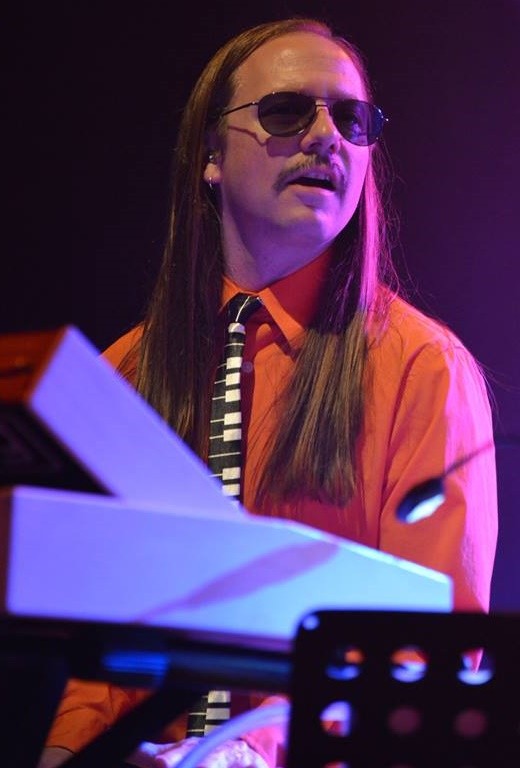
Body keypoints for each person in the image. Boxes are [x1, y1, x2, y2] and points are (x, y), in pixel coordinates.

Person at [39, 15, 498, 768]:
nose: (327, 137)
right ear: (210, 155)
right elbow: (102, 641)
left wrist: (241, 750)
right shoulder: (123, 374)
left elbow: (430, 652)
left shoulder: (424, 368)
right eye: (287, 112)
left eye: (352, 120)